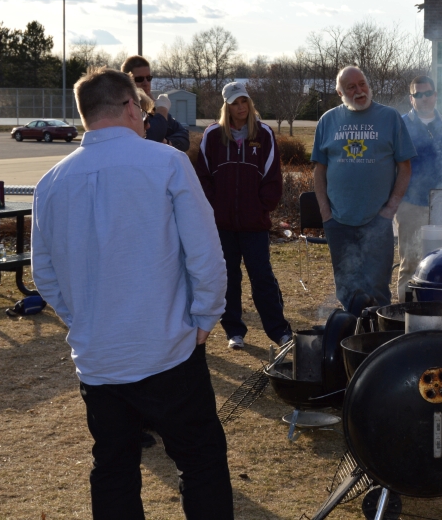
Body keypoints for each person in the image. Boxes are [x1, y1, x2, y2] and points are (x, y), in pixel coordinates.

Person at [31, 67, 233, 517]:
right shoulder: (166, 162)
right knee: (200, 462)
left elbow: (44, 274)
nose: (144, 117)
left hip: (100, 357)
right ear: (128, 106)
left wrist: (81, 318)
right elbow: (205, 255)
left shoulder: (50, 184)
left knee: (114, 469)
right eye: (141, 109)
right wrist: (205, 319)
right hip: (168, 349)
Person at [194, 81, 291, 350]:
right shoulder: (212, 136)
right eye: (235, 103)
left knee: (262, 277)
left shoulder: (264, 134)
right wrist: (214, 208)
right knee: (228, 278)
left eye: (244, 102)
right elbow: (202, 178)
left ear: (250, 103)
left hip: (254, 224)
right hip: (222, 226)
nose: (241, 108)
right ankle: (234, 331)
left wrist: (262, 206)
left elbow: (273, 177)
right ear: (227, 106)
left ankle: (279, 331)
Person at [311, 66, 416, 308]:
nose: (359, 91)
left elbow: (405, 167)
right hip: (338, 221)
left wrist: (390, 209)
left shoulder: (389, 118)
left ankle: (376, 341)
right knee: (348, 291)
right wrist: (326, 213)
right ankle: (352, 338)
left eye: (362, 84)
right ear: (339, 92)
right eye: (351, 87)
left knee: (378, 290)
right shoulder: (328, 121)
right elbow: (319, 171)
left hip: (377, 221)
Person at [395, 75, 442, 301]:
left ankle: (439, 312)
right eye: (418, 94)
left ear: (435, 96)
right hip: (410, 204)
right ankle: (405, 315)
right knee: (410, 262)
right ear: (411, 98)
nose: (424, 98)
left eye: (428, 93)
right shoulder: (401, 125)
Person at [121, 55, 190, 152]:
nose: (146, 83)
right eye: (140, 79)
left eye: (149, 78)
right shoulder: (125, 109)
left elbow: (184, 136)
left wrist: (167, 142)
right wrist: (162, 110)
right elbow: (152, 136)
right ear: (127, 81)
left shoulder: (153, 108)